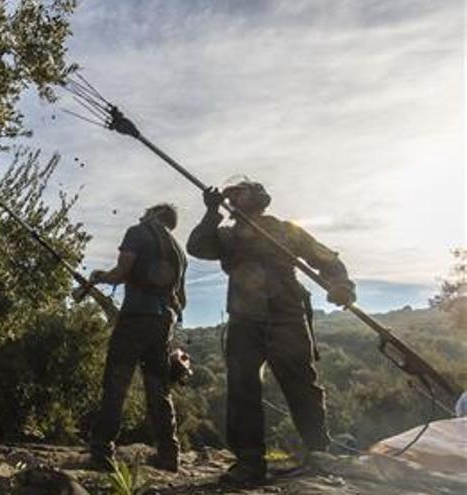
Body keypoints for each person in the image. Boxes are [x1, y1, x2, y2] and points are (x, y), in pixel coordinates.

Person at [187, 179, 356, 485]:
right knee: (242, 389)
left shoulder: (285, 230)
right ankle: (249, 463)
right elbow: (197, 246)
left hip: (287, 317)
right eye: (232, 193)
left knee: (303, 387)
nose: (234, 196)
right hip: (244, 319)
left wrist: (341, 283)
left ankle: (319, 455)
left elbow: (326, 257)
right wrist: (212, 212)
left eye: (241, 191)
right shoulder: (226, 235)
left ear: (259, 197)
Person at [88, 203, 187, 472]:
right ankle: (169, 455)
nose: (141, 214)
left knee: (116, 385)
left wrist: (100, 277)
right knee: (159, 390)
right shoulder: (180, 252)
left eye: (147, 211)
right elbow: (182, 301)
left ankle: (101, 452)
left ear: (155, 214)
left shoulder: (138, 232)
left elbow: (121, 272)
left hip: (135, 318)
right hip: (163, 323)